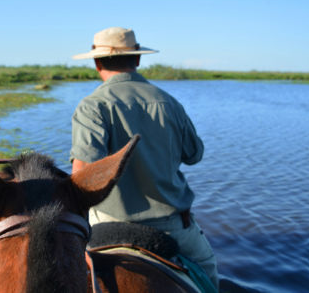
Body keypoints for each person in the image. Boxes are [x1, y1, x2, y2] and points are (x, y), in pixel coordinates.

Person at [69, 27, 218, 290]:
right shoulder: (169, 102)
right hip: (173, 225)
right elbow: (195, 155)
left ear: (96, 62)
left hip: (106, 223)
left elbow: (82, 177)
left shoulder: (92, 106)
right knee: (207, 272)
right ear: (137, 59)